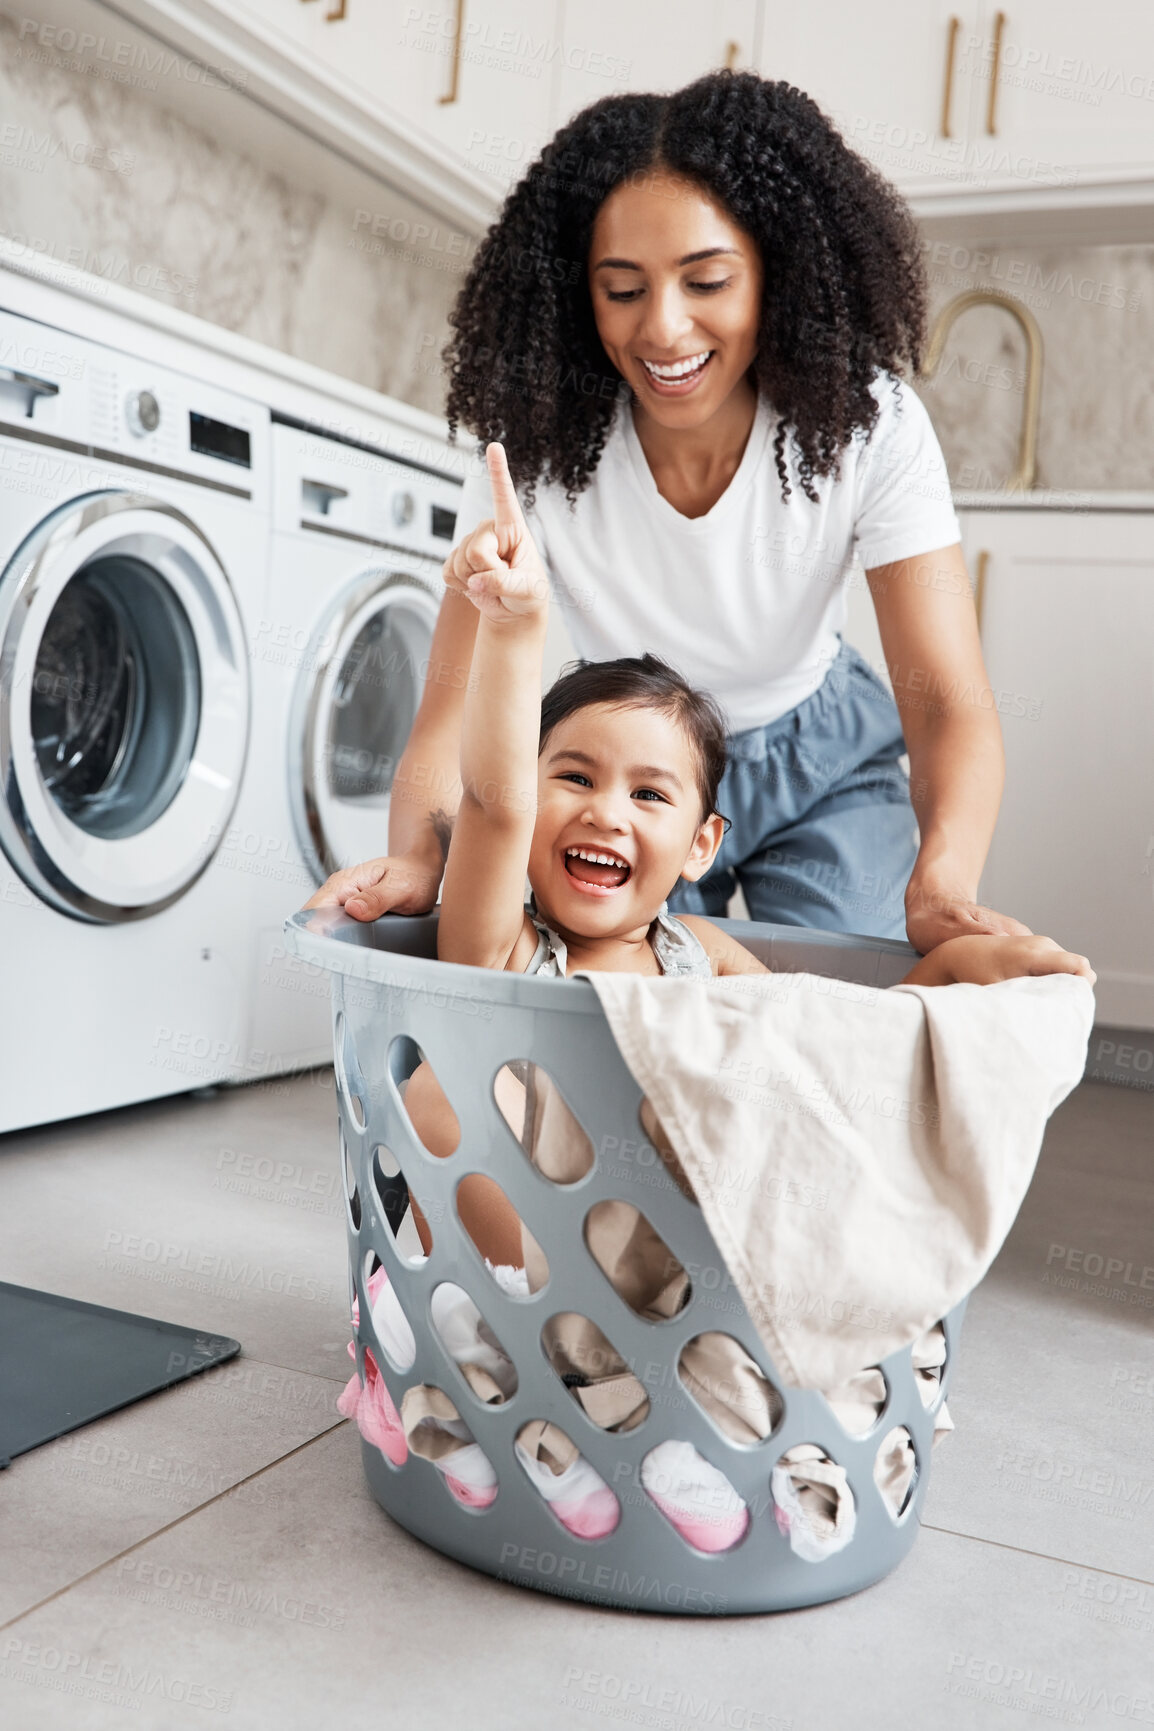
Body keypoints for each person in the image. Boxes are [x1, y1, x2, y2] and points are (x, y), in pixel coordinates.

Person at [358, 442, 1091, 1553]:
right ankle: (573, 1420)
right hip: (538, 1290)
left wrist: (981, 975)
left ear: (700, 844)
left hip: (688, 1281)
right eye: (576, 776)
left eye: (647, 793)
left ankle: (721, 1418)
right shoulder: (500, 950)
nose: (604, 812)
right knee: (454, 1132)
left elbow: (839, 1029)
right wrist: (513, 627)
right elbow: (493, 799)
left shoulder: (696, 950)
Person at [306, 71, 1033, 954]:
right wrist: (424, 854)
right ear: (579, 297)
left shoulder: (864, 425)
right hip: (624, 767)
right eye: (623, 290)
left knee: (833, 1004)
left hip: (820, 761)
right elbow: (449, 711)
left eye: (708, 281)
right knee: (611, 1003)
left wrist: (943, 877)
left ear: (779, 275)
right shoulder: (533, 450)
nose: (664, 329)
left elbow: (947, 701)